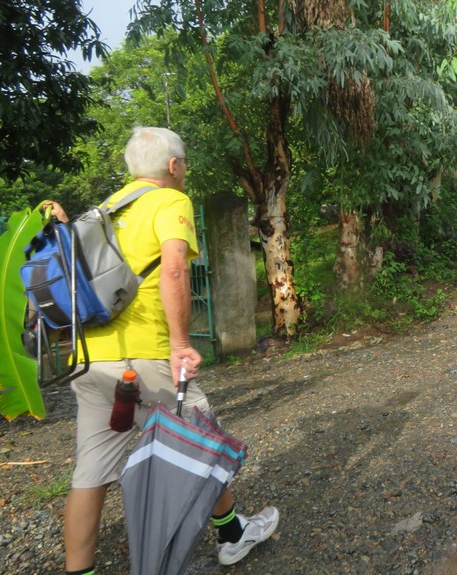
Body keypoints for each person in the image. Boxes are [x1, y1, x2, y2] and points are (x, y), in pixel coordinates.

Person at [56, 127, 279, 574]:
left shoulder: (101, 211)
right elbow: (174, 271)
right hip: (148, 359)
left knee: (90, 473)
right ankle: (232, 536)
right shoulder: (169, 201)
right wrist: (180, 344)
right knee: (200, 441)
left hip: (90, 359)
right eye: (185, 163)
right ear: (174, 166)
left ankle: (79, 571)